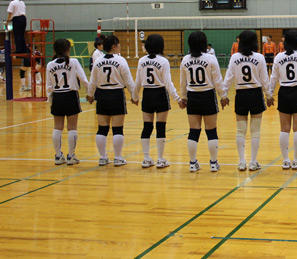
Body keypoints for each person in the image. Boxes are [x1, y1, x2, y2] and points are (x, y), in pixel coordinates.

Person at [220, 30, 269, 171]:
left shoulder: (235, 57)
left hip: (240, 95)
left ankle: (241, 162)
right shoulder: (259, 57)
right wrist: (269, 95)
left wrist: (224, 95)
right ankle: (253, 162)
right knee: (255, 131)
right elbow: (264, 79)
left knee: (240, 131)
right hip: (255, 94)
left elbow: (228, 78)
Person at [131, 34, 181, 169]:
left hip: (147, 94)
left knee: (147, 127)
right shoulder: (163, 61)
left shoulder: (141, 61)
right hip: (160, 94)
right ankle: (160, 159)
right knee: (160, 127)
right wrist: (177, 98)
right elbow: (168, 83)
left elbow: (138, 82)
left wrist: (135, 96)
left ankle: (146, 158)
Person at [87, 35, 136, 167]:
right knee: (117, 129)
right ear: (114, 46)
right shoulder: (121, 60)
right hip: (116, 94)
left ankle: (102, 157)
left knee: (102, 129)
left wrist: (90, 95)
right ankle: (118, 158)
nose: (119, 47)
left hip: (102, 95)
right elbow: (128, 81)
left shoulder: (98, 61)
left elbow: (92, 81)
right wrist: (134, 96)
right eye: (118, 44)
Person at [267, 30, 297, 169]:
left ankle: (285, 160)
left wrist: (269, 94)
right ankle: (296, 160)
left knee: (284, 129)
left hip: (284, 92)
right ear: (296, 42)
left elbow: (273, 78)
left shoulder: (278, 57)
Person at [179, 31, 225, 172]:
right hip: (208, 96)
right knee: (211, 131)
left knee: (193, 131)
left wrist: (183, 97)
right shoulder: (210, 59)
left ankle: (192, 163)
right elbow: (218, 80)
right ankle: (213, 163)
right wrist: (223, 96)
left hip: (192, 96)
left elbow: (182, 82)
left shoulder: (185, 60)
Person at [46, 39, 89, 165]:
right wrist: (90, 92)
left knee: (57, 127)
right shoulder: (73, 62)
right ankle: (71, 156)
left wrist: (50, 101)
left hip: (57, 96)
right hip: (70, 95)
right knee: (72, 128)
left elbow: (48, 86)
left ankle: (58, 156)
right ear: (68, 49)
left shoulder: (50, 65)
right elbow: (84, 79)